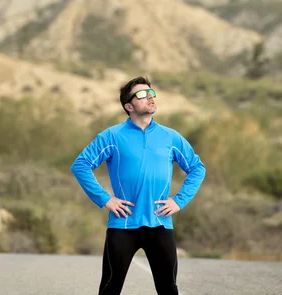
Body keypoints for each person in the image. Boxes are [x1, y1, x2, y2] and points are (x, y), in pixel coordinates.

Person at [71, 76, 206, 295]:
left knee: (168, 288)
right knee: (110, 287)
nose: (150, 97)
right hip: (123, 225)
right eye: (142, 94)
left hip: (160, 223)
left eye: (151, 93)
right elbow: (81, 165)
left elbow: (197, 168)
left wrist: (179, 201)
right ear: (129, 106)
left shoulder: (170, 137)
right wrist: (105, 198)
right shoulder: (112, 136)